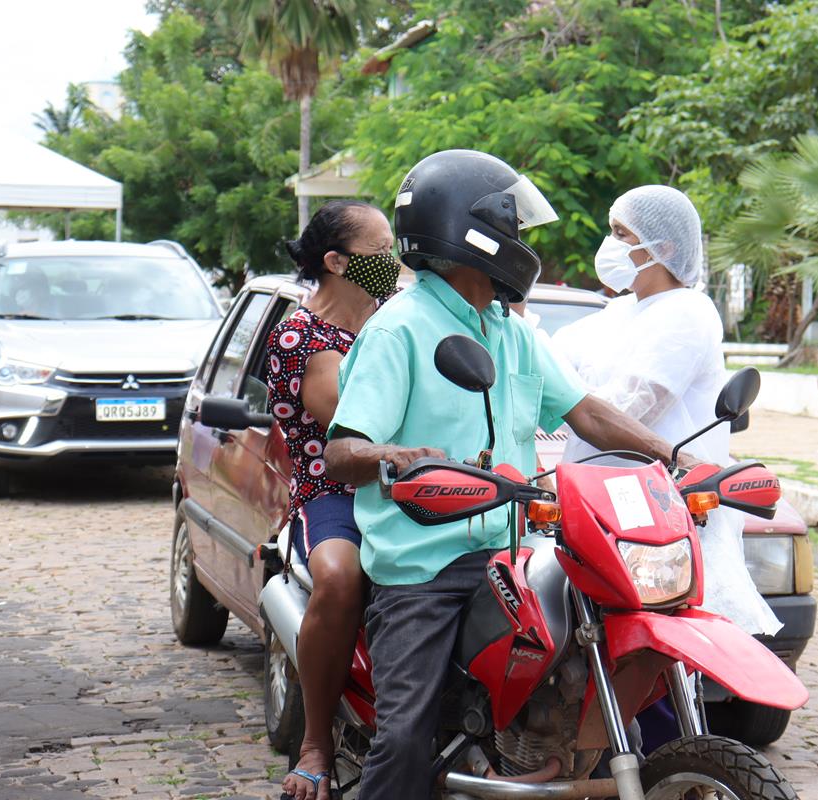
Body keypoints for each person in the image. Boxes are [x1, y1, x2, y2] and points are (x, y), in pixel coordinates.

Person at [323, 149, 695, 798]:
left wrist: (669, 456)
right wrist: (394, 456)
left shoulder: (513, 332)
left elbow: (588, 414)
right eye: (513, 226)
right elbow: (341, 452)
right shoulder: (399, 330)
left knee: (594, 647)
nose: (522, 241)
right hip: (424, 566)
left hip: (516, 552)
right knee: (407, 733)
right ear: (473, 234)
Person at [551, 184, 781, 637]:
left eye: (622, 234)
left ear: (664, 247)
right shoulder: (618, 314)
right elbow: (547, 363)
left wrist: (572, 399)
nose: (609, 246)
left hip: (659, 516)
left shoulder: (687, 313)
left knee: (660, 650)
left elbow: (630, 408)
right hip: (594, 508)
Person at [268, 200, 403, 800]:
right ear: (335, 261)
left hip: (411, 479)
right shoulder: (302, 335)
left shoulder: (393, 316)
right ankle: (316, 743)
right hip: (335, 489)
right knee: (341, 577)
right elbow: (350, 428)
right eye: (380, 252)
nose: (393, 261)